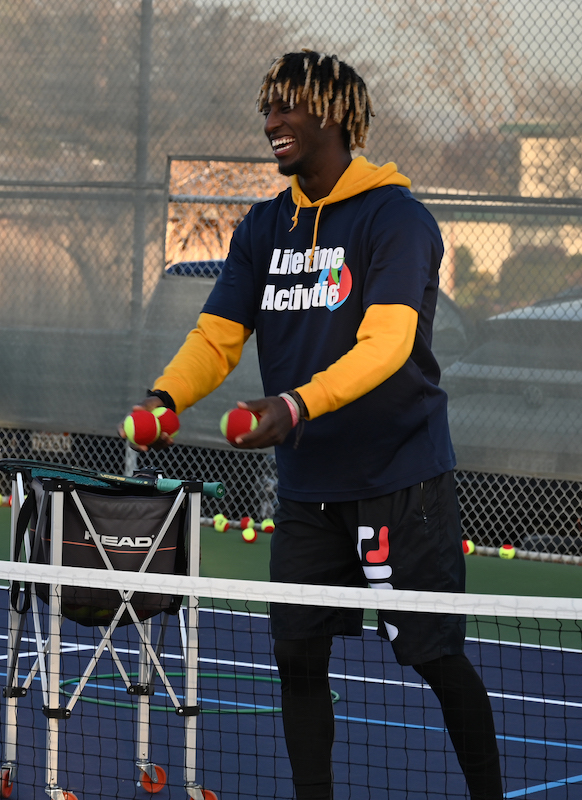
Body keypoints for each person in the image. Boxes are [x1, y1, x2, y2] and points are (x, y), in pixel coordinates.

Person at [122, 50, 503, 800]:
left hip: (399, 481)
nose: (271, 123)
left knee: (434, 658)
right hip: (307, 491)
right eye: (267, 110)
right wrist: (167, 400)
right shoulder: (264, 227)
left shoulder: (398, 219)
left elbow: (389, 346)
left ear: (332, 113)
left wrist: (292, 406)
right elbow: (217, 337)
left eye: (287, 108)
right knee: (296, 657)